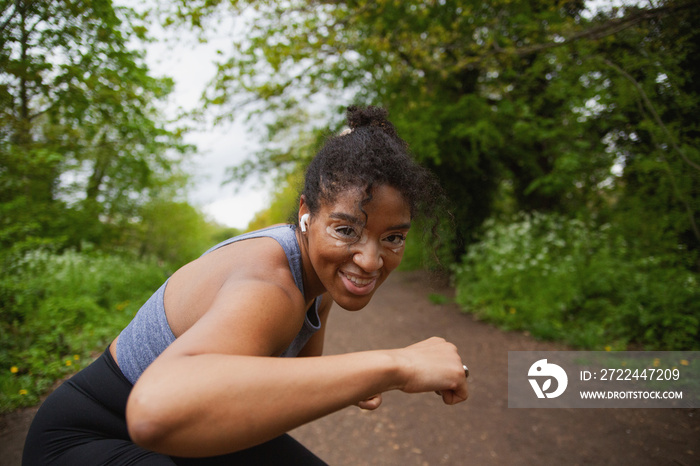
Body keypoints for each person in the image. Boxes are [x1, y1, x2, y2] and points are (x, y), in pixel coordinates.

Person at [23, 105, 469, 465]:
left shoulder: (319, 277)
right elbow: (154, 411)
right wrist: (396, 365)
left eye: (393, 237)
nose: (370, 260)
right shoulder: (271, 287)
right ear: (306, 214)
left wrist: (351, 381)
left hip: (168, 434)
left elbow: (295, 377)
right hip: (84, 439)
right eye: (347, 230)